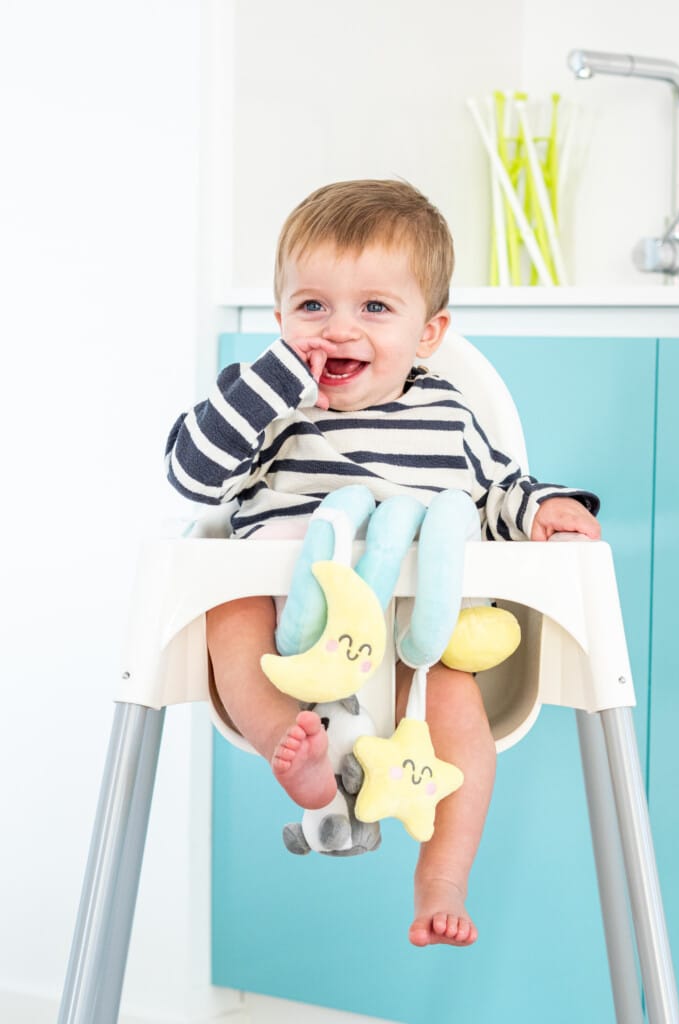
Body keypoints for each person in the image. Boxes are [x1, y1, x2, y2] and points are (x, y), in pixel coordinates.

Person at [166, 179, 601, 948]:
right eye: (312, 306)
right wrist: (269, 381)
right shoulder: (268, 411)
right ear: (279, 320)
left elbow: (501, 486)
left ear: (428, 332)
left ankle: (442, 879)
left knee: (461, 722)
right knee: (226, 612)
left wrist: (546, 510)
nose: (338, 328)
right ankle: (295, 754)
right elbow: (191, 475)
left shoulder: (449, 416)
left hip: (408, 646)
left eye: (374, 307)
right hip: (284, 633)